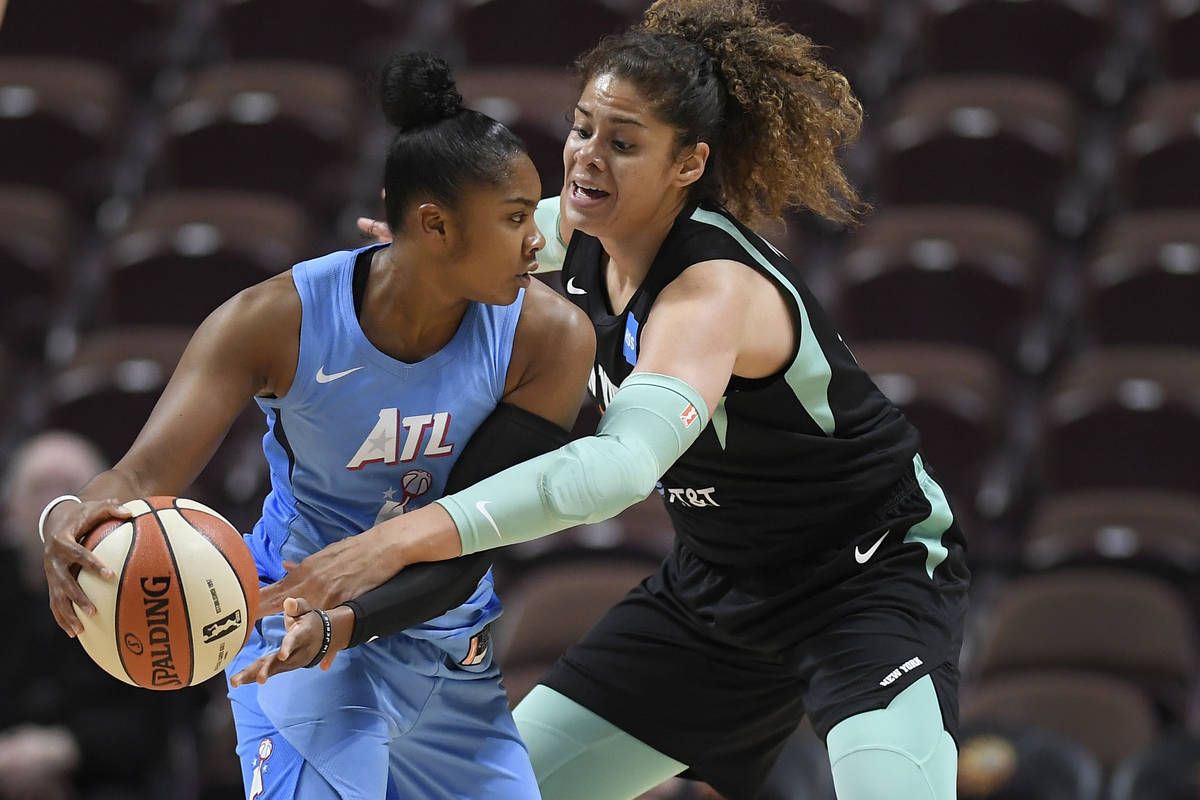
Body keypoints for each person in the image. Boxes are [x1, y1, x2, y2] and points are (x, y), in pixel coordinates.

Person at [236, 2, 971, 799]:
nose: (588, 157)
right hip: (717, 591)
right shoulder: (579, 232)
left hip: (865, 582)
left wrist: (404, 538)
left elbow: (619, 469)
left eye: (623, 144)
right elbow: (468, 245)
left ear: (688, 165)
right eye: (583, 127)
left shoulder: (711, 292)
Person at [41, 52, 595, 799]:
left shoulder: (549, 337)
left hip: (439, 632)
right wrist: (74, 519)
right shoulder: (274, 321)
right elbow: (140, 477)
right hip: (295, 625)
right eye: (517, 217)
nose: (540, 240)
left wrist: (349, 623)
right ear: (434, 225)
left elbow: (467, 539)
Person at [1, 431, 177, 800]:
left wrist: (63, 751)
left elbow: (155, 731)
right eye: (39, 488)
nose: (53, 506)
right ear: (10, 512)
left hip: (104, 781)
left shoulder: (140, 590)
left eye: (69, 491)